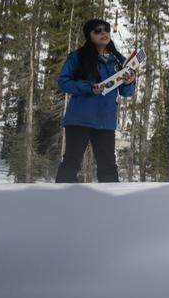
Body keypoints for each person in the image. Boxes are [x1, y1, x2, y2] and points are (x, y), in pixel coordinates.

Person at [55, 19, 137, 183]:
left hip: (105, 121)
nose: (104, 33)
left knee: (108, 166)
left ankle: (110, 204)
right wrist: (89, 87)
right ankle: (60, 201)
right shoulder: (77, 57)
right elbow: (63, 83)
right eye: (97, 31)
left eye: (106, 29)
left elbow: (126, 93)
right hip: (80, 119)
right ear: (89, 35)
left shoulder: (118, 59)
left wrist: (129, 83)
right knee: (71, 162)